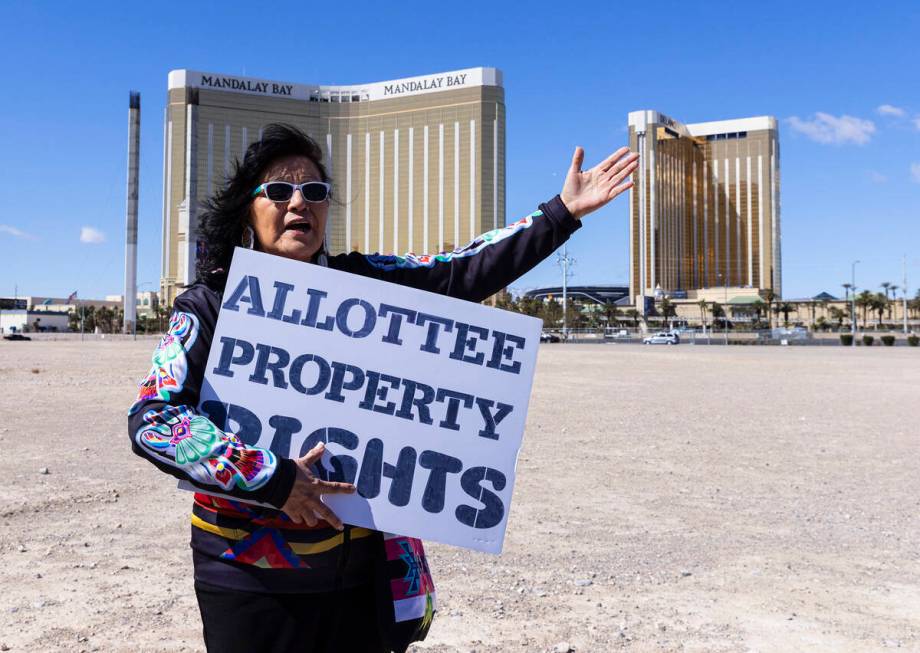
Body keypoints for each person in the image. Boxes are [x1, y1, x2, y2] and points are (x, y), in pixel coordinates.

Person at [128, 123, 638, 653]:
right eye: (279, 191)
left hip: (360, 577)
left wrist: (561, 213)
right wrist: (273, 478)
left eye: (315, 192)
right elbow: (154, 420)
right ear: (247, 211)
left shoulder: (366, 287)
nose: (299, 202)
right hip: (248, 583)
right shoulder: (210, 304)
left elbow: (459, 271)